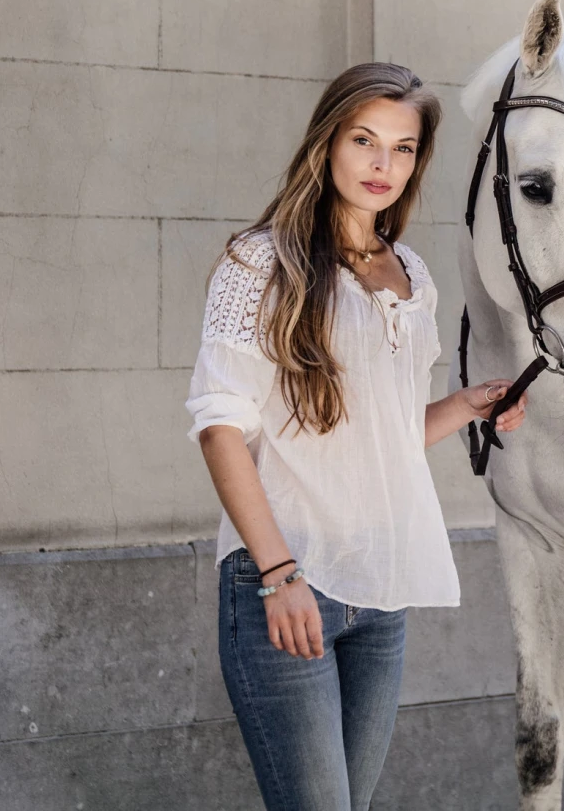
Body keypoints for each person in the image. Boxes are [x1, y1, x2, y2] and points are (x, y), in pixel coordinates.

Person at [185, 62, 526, 811]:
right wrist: (279, 575)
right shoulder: (261, 262)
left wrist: (466, 405)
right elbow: (219, 429)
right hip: (283, 579)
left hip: (379, 592)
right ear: (327, 143)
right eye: (365, 139)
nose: (384, 164)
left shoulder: (411, 274)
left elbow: (387, 435)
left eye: (403, 148)